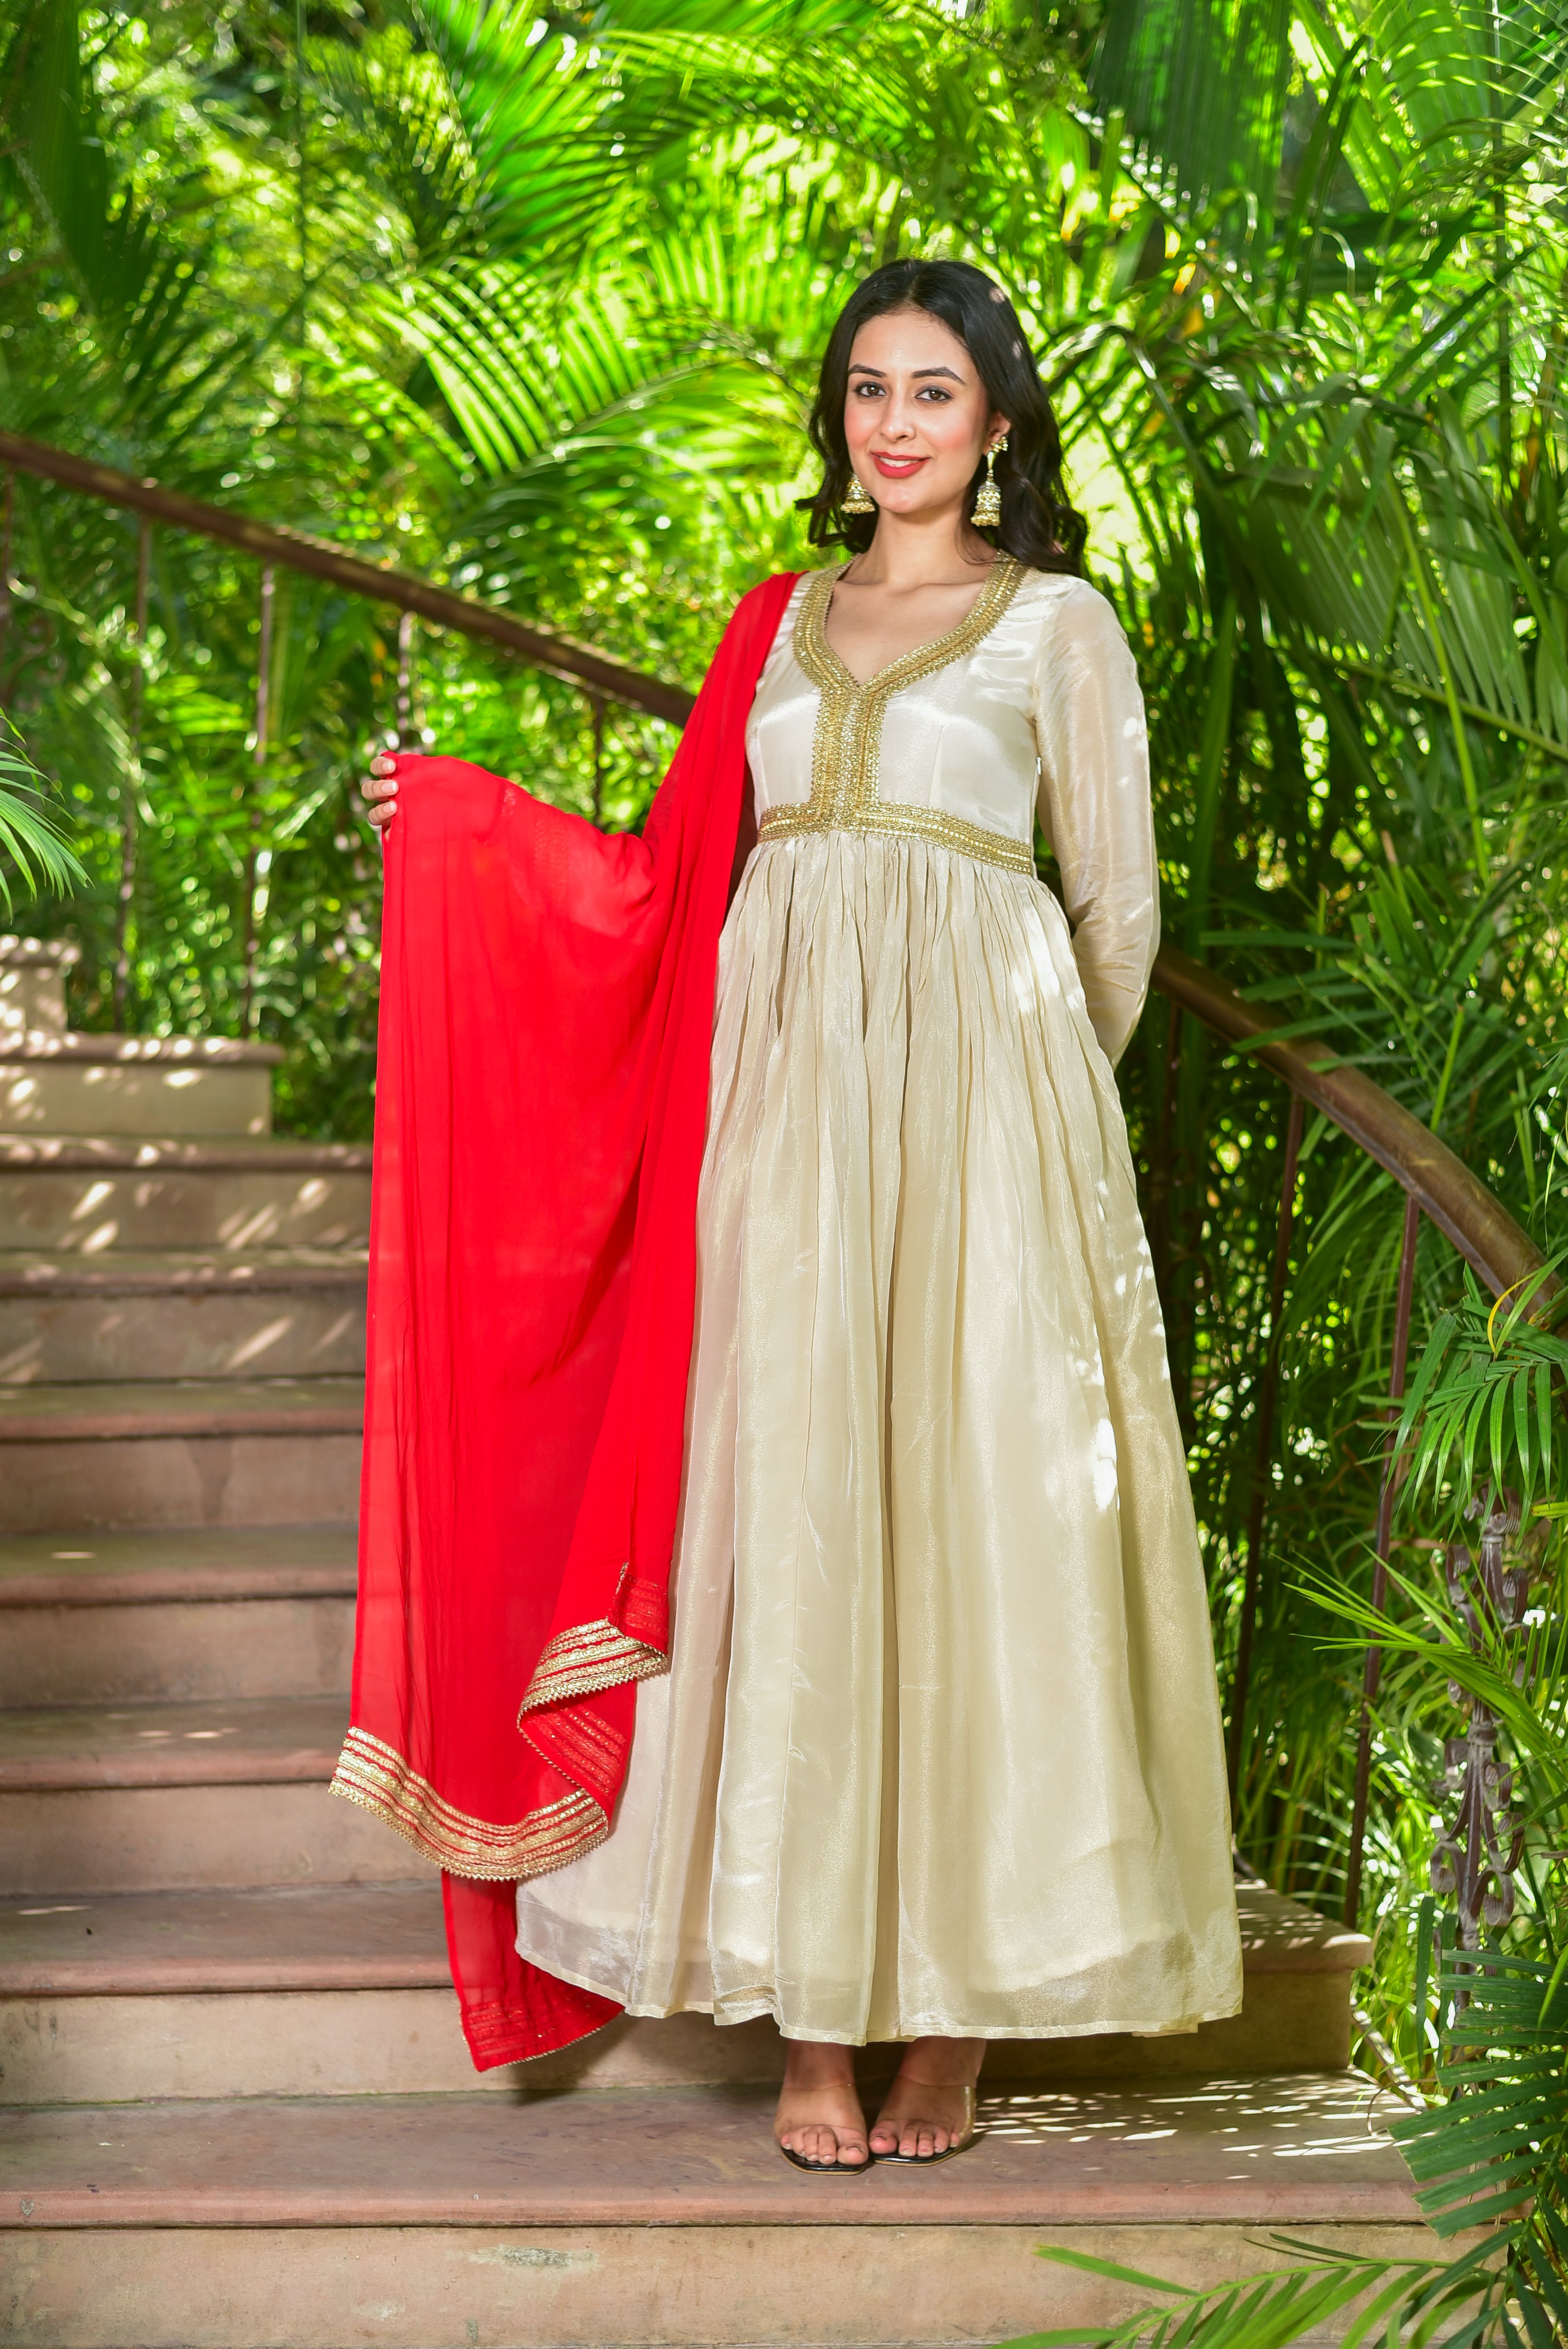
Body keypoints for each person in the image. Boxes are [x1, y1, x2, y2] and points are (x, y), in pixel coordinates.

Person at [355, 258, 1242, 2175]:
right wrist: (452, 828)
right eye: (866, 387)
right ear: (839, 417)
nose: (893, 420)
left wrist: (1024, 1131)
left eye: (933, 390)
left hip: (989, 1138)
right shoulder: (770, 625)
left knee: (966, 1528)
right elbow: (664, 882)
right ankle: (814, 2031)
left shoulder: (1055, 625)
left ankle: (951, 2032)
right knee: (790, 1521)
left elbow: (1116, 914)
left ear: (996, 423)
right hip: (771, 1131)